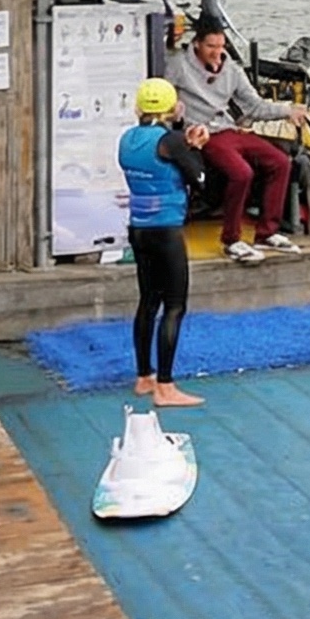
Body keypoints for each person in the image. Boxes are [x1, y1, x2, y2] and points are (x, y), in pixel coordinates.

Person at [167, 14, 297, 265]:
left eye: (221, 46)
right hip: (203, 133)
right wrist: (177, 128)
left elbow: (255, 106)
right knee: (241, 173)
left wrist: (289, 111)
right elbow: (165, 100)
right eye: (211, 47)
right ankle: (231, 238)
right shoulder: (178, 65)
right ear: (196, 44)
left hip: (228, 129)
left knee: (280, 162)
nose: (217, 53)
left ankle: (267, 232)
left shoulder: (232, 70)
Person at [118, 78, 205, 407]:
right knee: (175, 305)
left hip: (138, 227)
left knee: (147, 301)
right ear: (172, 108)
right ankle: (166, 387)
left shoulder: (127, 139)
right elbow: (199, 179)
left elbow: (159, 156)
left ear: (139, 108)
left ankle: (144, 376)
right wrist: (194, 148)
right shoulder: (169, 140)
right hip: (166, 230)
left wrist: (182, 140)